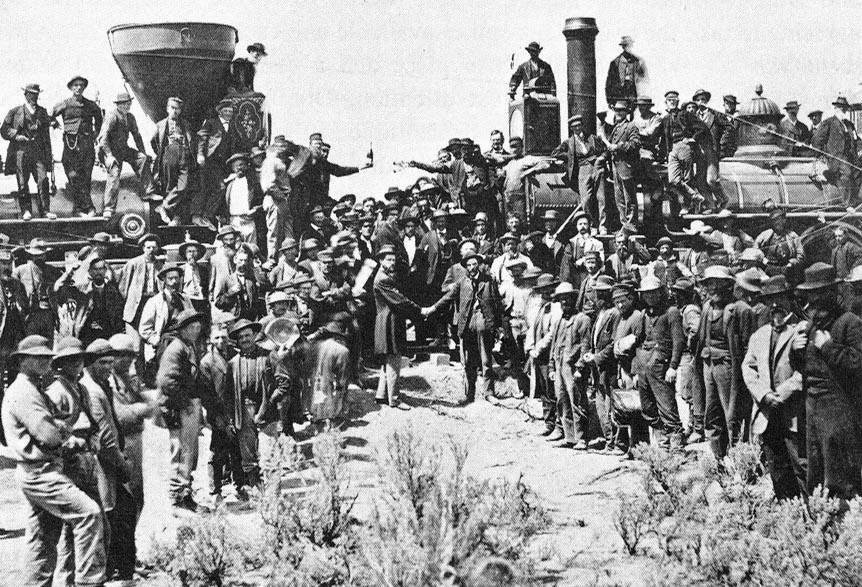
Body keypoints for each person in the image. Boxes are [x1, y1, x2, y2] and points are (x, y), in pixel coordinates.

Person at [2, 336, 106, 586]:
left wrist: (61, 429)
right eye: (37, 357)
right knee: (89, 514)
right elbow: (49, 435)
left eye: (46, 357)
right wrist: (72, 438)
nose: (44, 361)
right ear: (21, 362)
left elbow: (55, 425)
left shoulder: (33, 388)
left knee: (42, 540)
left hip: (41, 470)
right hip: (41, 473)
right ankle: (88, 582)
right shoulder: (24, 392)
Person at [791, 263, 862, 500]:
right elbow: (805, 367)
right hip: (813, 409)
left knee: (840, 473)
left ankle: (845, 527)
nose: (815, 300)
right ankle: (821, 521)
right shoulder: (812, 324)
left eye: (820, 292)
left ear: (833, 292)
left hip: (840, 408)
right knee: (817, 469)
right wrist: (796, 351)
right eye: (811, 293)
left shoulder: (849, 321)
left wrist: (828, 347)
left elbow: (858, 363)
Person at [741, 276, 806, 500]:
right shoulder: (759, 336)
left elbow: (805, 370)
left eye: (779, 299)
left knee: (800, 466)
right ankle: (787, 512)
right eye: (771, 301)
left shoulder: (801, 331)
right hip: (767, 411)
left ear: (789, 299)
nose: (776, 306)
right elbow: (748, 368)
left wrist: (783, 393)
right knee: (776, 466)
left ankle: (811, 519)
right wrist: (764, 394)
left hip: (793, 412)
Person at [80, 339, 136, 582]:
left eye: (111, 362)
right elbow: (105, 438)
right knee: (112, 516)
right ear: (90, 364)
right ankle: (113, 571)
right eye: (103, 362)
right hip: (104, 466)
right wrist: (123, 465)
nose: (108, 367)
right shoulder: (92, 391)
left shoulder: (102, 385)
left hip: (110, 464)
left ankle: (122, 569)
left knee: (123, 513)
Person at [425, 250, 501, 404]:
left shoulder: (488, 281)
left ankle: (489, 393)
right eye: (469, 265)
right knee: (468, 361)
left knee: (486, 360)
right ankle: (469, 394)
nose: (472, 267)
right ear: (465, 267)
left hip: (483, 320)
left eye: (474, 264)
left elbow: (497, 303)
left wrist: (497, 326)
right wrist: (432, 308)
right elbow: (447, 298)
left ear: (479, 265)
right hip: (467, 323)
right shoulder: (462, 282)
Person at [695, 265, 755, 458]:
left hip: (729, 367)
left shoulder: (741, 310)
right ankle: (719, 460)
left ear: (728, 286)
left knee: (734, 415)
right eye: (709, 284)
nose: (713, 288)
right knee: (711, 414)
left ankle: (741, 462)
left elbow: (748, 347)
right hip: (708, 365)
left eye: (718, 283)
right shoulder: (706, 308)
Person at [156, 309, 206, 511]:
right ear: (182, 330)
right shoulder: (176, 348)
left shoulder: (188, 346)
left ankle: (185, 493)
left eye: (197, 326)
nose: (196, 329)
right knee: (181, 452)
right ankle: (178, 498)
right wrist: (185, 403)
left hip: (187, 404)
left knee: (189, 452)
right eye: (191, 327)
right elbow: (167, 380)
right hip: (178, 407)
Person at [227, 319, 282, 486]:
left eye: (248, 335)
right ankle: (257, 493)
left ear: (255, 335)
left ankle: (273, 495)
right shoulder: (233, 363)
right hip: (244, 411)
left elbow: (283, 383)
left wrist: (269, 404)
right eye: (241, 336)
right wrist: (231, 418)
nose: (245, 339)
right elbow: (228, 394)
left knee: (268, 455)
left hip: (267, 410)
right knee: (248, 457)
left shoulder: (269, 356)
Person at [199, 323, 247, 500]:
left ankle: (239, 486)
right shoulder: (206, 362)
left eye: (224, 337)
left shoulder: (236, 354)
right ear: (211, 339)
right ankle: (215, 490)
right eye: (217, 337)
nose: (221, 341)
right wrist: (218, 417)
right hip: (218, 412)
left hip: (236, 410)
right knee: (217, 451)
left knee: (237, 450)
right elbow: (207, 394)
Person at [636, 277, 685, 449]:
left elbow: (678, 341)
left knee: (667, 407)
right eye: (646, 294)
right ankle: (663, 442)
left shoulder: (671, 312)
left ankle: (677, 446)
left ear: (660, 292)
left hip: (661, 366)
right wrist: (637, 370)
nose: (649, 297)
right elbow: (640, 341)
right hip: (644, 366)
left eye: (653, 293)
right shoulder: (644, 314)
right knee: (647, 408)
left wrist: (673, 367)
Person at [108, 333, 151, 517]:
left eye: (130, 355)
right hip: (121, 442)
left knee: (136, 493)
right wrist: (143, 408)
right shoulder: (109, 381)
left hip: (135, 441)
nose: (126, 359)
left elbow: (148, 403)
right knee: (125, 497)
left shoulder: (128, 378)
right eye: (121, 355)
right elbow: (121, 415)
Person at [547, 282, 592, 450]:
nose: (564, 303)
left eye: (567, 299)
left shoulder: (582, 320)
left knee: (577, 400)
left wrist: (581, 367)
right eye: (561, 300)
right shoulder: (559, 321)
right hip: (560, 366)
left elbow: (585, 345)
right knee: (562, 400)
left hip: (573, 368)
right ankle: (569, 436)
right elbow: (554, 345)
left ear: (574, 299)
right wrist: (552, 367)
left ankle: (582, 438)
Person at [97, 92, 155, 218]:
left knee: (142, 159)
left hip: (123, 149)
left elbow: (137, 136)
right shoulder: (112, 116)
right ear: (118, 105)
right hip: (109, 150)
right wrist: (109, 155)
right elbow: (103, 138)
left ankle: (147, 192)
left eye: (128, 103)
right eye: (124, 104)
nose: (127, 106)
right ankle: (109, 207)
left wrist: (143, 152)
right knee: (114, 172)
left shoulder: (130, 118)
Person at [51, 75, 102, 218]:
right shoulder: (65, 104)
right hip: (70, 145)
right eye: (75, 85)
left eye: (81, 85)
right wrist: (55, 123)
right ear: (71, 88)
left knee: (86, 178)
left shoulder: (91, 105)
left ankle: (79, 209)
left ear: (84, 88)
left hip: (87, 146)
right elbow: (50, 115)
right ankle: (88, 206)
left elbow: (99, 119)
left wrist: (95, 134)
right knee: (73, 176)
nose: (78, 88)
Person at [2, 83, 55, 221]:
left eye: (36, 94)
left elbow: (46, 136)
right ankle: (26, 210)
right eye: (31, 94)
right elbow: (3, 129)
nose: (34, 97)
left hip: (38, 152)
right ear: (26, 95)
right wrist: (16, 135)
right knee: (22, 182)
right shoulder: (15, 112)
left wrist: (49, 156)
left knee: (43, 180)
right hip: (21, 152)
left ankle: (45, 211)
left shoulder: (42, 112)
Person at [583, 275, 622, 453]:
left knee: (609, 405)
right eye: (597, 293)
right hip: (598, 368)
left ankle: (614, 442)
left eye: (601, 294)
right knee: (601, 404)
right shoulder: (600, 314)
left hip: (610, 367)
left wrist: (597, 357)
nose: (597, 297)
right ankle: (609, 441)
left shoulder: (614, 314)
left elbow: (614, 343)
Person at [54, 257, 124, 346]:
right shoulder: (82, 290)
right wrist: (70, 272)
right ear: (90, 272)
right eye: (95, 269)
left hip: (108, 332)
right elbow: (57, 288)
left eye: (101, 269)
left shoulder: (112, 291)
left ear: (105, 271)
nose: (98, 272)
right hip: (86, 332)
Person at [119, 233, 163, 368]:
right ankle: (138, 376)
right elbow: (123, 287)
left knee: (155, 340)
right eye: (148, 247)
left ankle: (152, 373)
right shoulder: (133, 263)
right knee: (136, 346)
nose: (151, 250)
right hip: (136, 306)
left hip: (153, 303)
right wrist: (129, 304)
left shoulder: (160, 265)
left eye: (154, 248)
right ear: (143, 248)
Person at [552, 115, 606, 225]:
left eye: (579, 125)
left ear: (582, 126)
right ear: (571, 128)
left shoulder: (592, 138)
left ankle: (603, 225)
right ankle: (592, 224)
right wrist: (570, 156)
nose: (577, 128)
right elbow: (555, 153)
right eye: (574, 127)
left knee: (601, 197)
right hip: (582, 169)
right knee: (585, 200)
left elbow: (605, 150)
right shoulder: (569, 142)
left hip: (597, 167)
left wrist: (601, 158)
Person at [138, 263, 194, 369]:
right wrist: (157, 341)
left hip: (183, 343)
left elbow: (193, 321)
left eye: (176, 278)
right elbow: (144, 329)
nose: (174, 282)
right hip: (163, 344)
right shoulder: (155, 301)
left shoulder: (185, 300)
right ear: (164, 280)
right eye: (170, 279)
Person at [670, 278, 704, 444]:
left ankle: (697, 428)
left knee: (690, 392)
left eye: (679, 293)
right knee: (686, 392)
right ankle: (692, 426)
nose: (676, 296)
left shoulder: (690, 310)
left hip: (689, 356)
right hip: (685, 355)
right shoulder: (682, 309)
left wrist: (689, 344)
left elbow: (696, 329)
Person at [811, 95, 861, 210]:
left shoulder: (849, 125)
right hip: (835, 158)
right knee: (846, 172)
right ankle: (847, 204)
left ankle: (856, 200)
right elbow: (816, 140)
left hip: (850, 158)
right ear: (836, 109)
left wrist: (860, 149)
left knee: (858, 171)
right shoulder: (829, 123)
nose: (843, 111)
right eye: (841, 108)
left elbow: (857, 140)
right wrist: (822, 155)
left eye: (845, 109)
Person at [196, 100, 240, 230]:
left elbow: (237, 142)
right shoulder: (211, 123)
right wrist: (200, 154)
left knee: (226, 187)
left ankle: (220, 217)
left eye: (231, 111)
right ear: (220, 112)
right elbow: (202, 138)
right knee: (219, 187)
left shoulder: (232, 126)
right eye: (226, 111)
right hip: (211, 161)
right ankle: (206, 216)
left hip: (224, 163)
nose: (229, 113)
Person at [526, 273, 561, 435]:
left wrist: (538, 347)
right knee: (544, 391)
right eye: (543, 292)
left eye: (549, 291)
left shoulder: (556, 308)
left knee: (553, 390)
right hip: (539, 356)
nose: (546, 295)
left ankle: (558, 425)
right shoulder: (541, 307)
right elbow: (532, 329)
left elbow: (552, 333)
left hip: (550, 354)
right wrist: (530, 348)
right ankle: (548, 423)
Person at [151, 97, 195, 225]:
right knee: (169, 186)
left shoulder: (185, 124)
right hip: (169, 154)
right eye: (173, 108)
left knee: (183, 185)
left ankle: (164, 207)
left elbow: (191, 140)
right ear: (167, 109)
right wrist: (163, 153)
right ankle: (174, 217)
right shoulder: (160, 125)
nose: (175, 111)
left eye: (178, 109)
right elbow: (153, 142)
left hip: (184, 155)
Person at [601, 101, 641, 229]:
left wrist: (618, 146)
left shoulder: (631, 127)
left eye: (620, 110)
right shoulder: (616, 128)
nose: (617, 113)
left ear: (626, 113)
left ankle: (631, 224)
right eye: (616, 110)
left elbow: (635, 144)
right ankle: (625, 224)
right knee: (619, 199)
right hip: (615, 167)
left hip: (626, 167)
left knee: (629, 197)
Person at [307, 314, 350, 429]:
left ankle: (316, 423)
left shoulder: (315, 346)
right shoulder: (343, 350)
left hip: (314, 382)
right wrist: (342, 389)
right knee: (333, 404)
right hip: (330, 384)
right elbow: (343, 376)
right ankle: (333, 424)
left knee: (317, 402)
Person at [497, 137, 547, 222]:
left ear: (521, 147)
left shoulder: (527, 159)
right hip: (507, 197)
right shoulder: (510, 162)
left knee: (520, 222)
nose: (514, 149)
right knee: (509, 223)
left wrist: (529, 171)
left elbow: (545, 164)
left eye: (516, 146)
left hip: (519, 197)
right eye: (512, 147)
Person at [214, 243, 264, 321]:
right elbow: (218, 303)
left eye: (245, 260)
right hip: (233, 319)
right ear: (235, 260)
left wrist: (258, 268)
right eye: (240, 260)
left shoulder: (252, 278)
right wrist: (230, 293)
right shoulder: (226, 279)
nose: (243, 263)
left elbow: (264, 286)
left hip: (250, 319)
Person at [754, 206, 805, 280]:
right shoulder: (764, 236)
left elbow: (801, 254)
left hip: (788, 270)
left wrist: (792, 263)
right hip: (769, 270)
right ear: (771, 222)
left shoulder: (792, 235)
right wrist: (763, 261)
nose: (778, 222)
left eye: (780, 219)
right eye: (774, 220)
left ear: (784, 221)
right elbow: (754, 251)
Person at [558, 210, 604, 291]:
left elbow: (601, 261)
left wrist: (584, 260)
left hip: (590, 278)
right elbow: (567, 263)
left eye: (585, 224)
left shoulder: (597, 243)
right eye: (580, 224)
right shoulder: (571, 243)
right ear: (576, 226)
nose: (582, 226)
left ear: (590, 225)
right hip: (575, 279)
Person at [224, 152, 264, 245]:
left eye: (241, 165)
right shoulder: (229, 184)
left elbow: (263, 201)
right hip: (234, 221)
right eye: (236, 166)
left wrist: (256, 210)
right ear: (232, 168)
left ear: (246, 166)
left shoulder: (253, 183)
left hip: (248, 221)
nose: (239, 168)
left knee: (251, 248)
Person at [605, 36, 646, 108]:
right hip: (619, 95)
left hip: (632, 95)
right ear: (623, 47)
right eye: (626, 45)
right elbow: (609, 83)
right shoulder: (615, 62)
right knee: (620, 113)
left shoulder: (637, 61)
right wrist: (610, 100)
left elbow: (642, 80)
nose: (629, 47)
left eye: (630, 45)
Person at [179, 239, 209, 315]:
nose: (192, 254)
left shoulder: (203, 270)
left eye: (194, 251)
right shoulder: (181, 270)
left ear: (198, 254)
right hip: (187, 301)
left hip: (201, 301)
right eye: (189, 251)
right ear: (185, 254)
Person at [719, 94, 739, 158]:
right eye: (727, 103)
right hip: (722, 149)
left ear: (735, 106)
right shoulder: (720, 118)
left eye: (732, 104)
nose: (729, 106)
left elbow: (735, 130)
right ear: (724, 105)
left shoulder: (738, 118)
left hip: (735, 150)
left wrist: (736, 118)